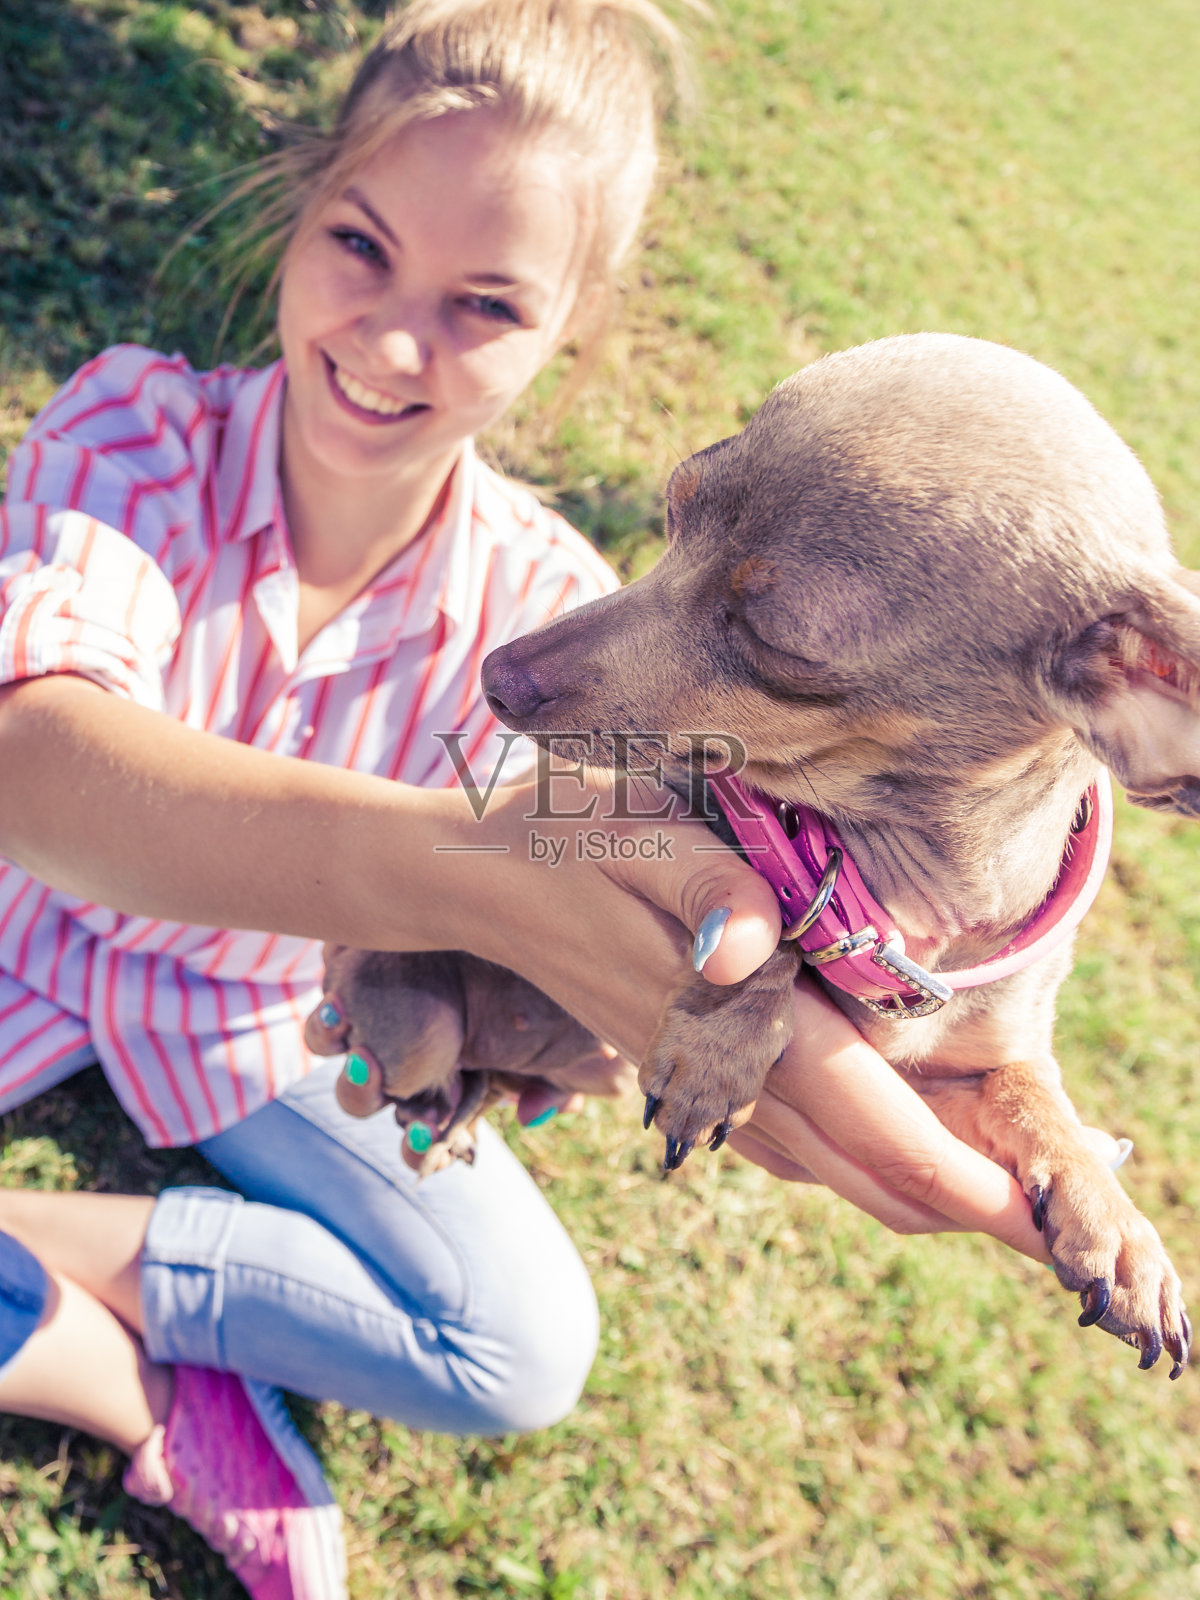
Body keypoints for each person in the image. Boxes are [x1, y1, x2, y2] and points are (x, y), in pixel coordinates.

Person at [0, 0, 1070, 1592]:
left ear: (575, 320)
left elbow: (624, 842)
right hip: (23, 933)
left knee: (517, 1344)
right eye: (360, 245)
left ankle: (83, 1276)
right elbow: (35, 764)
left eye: (483, 302)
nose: (387, 341)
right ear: (303, 198)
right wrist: (467, 875)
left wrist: (654, 964)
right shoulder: (133, 437)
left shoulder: (558, 614)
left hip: (263, 1028)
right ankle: (109, 1377)